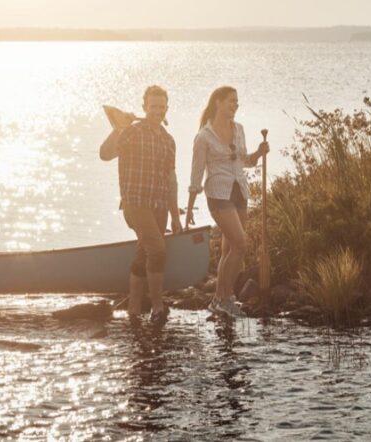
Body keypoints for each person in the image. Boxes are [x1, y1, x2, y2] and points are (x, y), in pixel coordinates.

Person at [100, 85, 182, 325]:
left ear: (167, 109)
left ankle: (134, 309)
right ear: (144, 107)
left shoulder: (169, 140)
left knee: (143, 252)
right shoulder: (131, 132)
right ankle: (158, 307)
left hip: (159, 206)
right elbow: (104, 154)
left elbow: (171, 180)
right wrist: (118, 128)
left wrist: (175, 216)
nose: (157, 110)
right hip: (135, 204)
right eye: (152, 106)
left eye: (161, 106)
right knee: (157, 250)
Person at [185, 86, 269, 319]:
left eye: (237, 102)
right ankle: (223, 298)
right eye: (231, 101)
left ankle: (221, 300)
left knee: (229, 249)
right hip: (218, 194)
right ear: (218, 103)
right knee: (241, 244)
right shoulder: (204, 136)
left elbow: (245, 161)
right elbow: (196, 173)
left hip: (239, 191)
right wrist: (189, 209)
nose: (235, 106)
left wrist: (259, 154)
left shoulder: (239, 129)